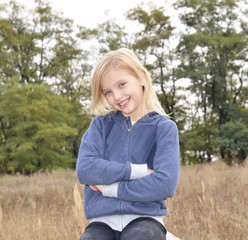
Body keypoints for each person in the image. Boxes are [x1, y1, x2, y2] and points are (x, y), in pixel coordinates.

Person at [76, 48, 180, 240]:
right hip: (102, 221)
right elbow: (86, 169)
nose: (117, 96)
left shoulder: (164, 128)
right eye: (108, 92)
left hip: (146, 219)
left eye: (122, 84)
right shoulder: (100, 125)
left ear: (141, 77)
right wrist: (139, 172)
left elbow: (165, 184)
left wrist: (110, 189)